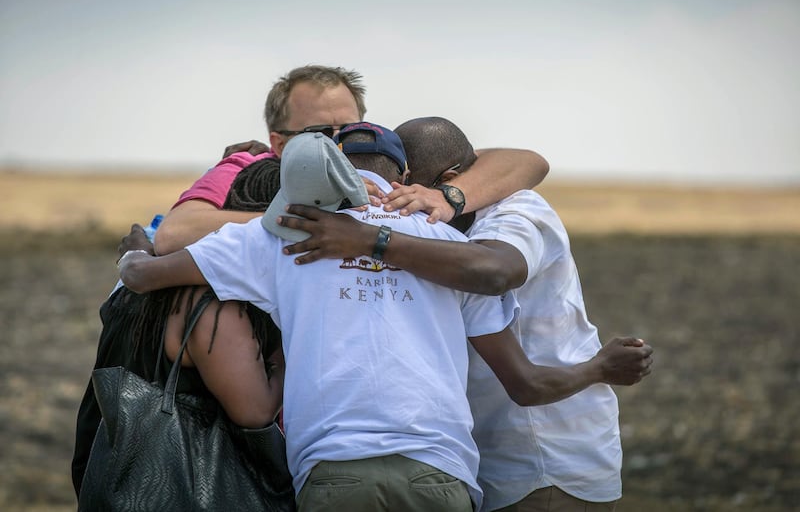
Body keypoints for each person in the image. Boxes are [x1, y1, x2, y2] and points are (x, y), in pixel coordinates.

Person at [117, 124, 652, 512]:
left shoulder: (282, 234)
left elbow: (144, 275)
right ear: (400, 176)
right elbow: (525, 381)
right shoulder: (449, 246)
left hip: (335, 471)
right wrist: (600, 368)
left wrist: (139, 244)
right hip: (443, 472)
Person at [276, 117, 653, 511]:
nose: (401, 205)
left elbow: (494, 271)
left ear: (452, 179)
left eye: (412, 193)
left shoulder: (517, 212)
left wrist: (374, 240)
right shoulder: (435, 234)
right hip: (471, 465)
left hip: (547, 461)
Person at [153, 64, 551, 255]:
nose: (337, 144)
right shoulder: (245, 168)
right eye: (318, 135)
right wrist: (308, 221)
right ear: (277, 144)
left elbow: (526, 161)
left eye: (347, 128)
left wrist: (450, 197)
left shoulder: (379, 156)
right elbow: (175, 232)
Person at [71, 158, 286, 498]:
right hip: (172, 491)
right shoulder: (211, 304)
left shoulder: (141, 276)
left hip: (104, 475)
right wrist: (292, 342)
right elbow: (255, 411)